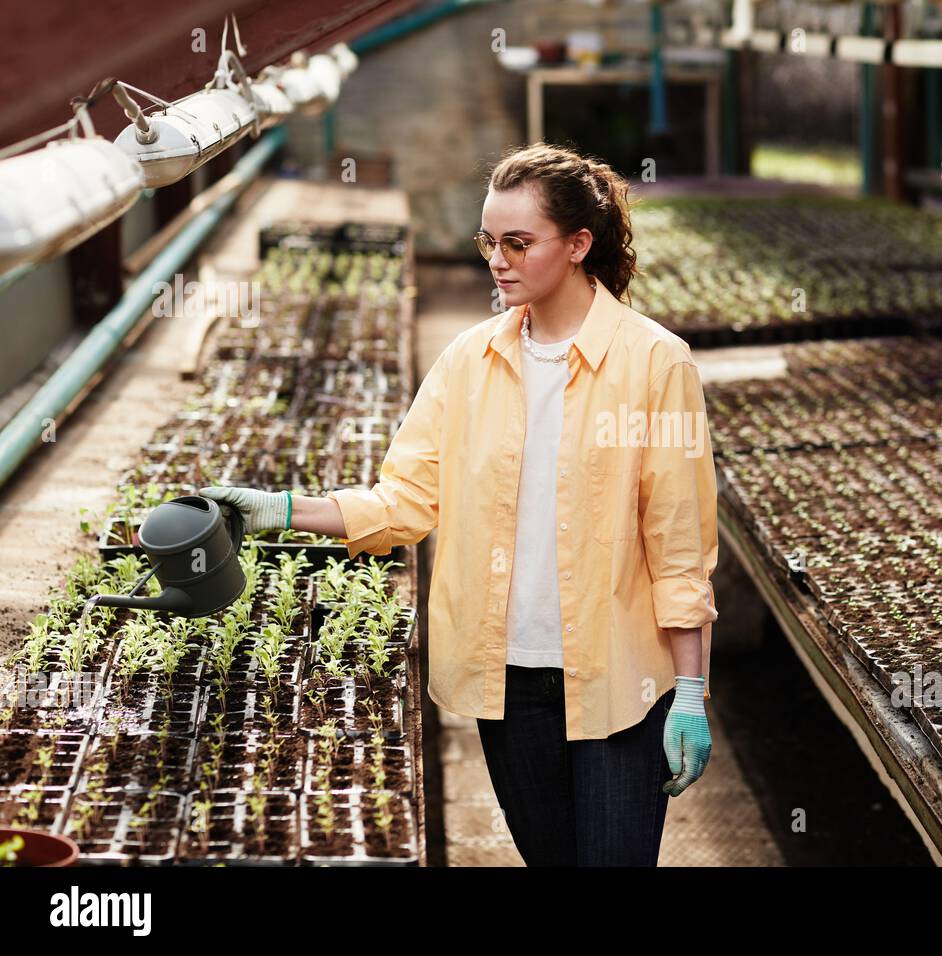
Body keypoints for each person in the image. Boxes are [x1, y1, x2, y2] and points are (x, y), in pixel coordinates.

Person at [203, 142, 719, 866]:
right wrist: (282, 510)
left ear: (578, 244)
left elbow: (679, 543)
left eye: (518, 242)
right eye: (489, 242)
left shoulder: (655, 362)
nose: (497, 261)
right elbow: (404, 501)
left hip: (620, 685)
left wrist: (690, 692)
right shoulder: (469, 361)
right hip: (508, 681)